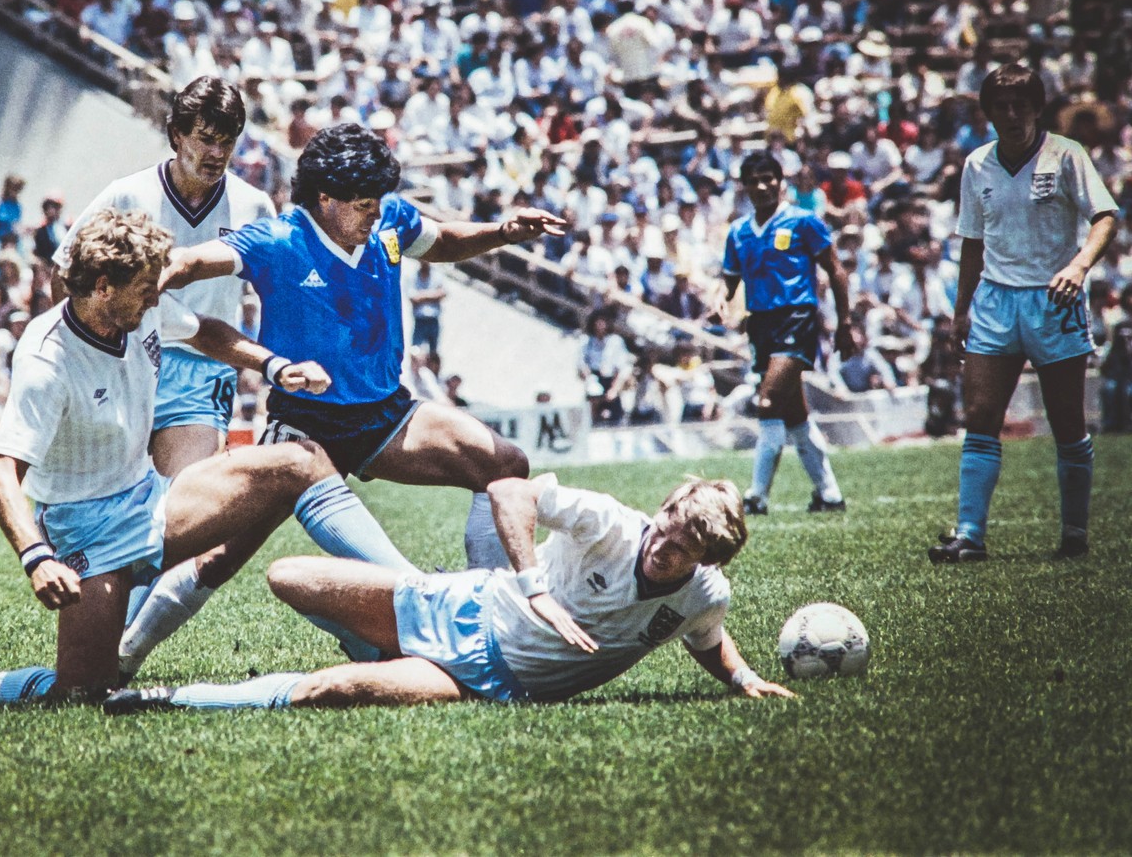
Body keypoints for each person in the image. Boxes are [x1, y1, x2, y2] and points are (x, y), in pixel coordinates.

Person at [0, 208, 348, 705]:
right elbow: (2, 474)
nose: (156, 296)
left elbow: (204, 330)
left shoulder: (143, 307)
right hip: (86, 532)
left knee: (299, 462)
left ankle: (392, 619)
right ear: (102, 287)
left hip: (152, 499)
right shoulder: (45, 360)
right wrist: (36, 558)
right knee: (84, 693)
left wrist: (273, 365)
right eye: (145, 288)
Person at [163, 123, 564, 568]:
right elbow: (197, 259)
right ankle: (130, 635)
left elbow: (442, 241)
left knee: (504, 465)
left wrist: (503, 231)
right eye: (364, 206)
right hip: (304, 425)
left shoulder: (388, 220)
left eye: (378, 204)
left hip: (383, 415)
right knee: (220, 559)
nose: (375, 215)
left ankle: (483, 600)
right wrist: (164, 269)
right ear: (325, 198)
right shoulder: (279, 240)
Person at [100, 473, 793, 713]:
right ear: (665, 508)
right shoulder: (613, 522)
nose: (662, 544)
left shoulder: (704, 595)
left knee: (329, 691)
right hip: (459, 604)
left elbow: (706, 634)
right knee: (288, 576)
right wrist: (535, 588)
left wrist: (741, 677)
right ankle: (376, 642)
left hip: (486, 680)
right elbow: (510, 490)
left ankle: (167, 699)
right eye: (667, 523)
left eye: (682, 549)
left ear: (705, 561)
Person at [47, 77, 276, 679]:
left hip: (202, 371)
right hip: (125, 363)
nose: (216, 152)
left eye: (227, 140)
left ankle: (117, 652)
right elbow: (62, 274)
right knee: (116, 515)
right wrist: (76, 354)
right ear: (176, 135)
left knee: (186, 514)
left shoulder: (254, 206)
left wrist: (276, 362)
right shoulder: (126, 195)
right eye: (204, 138)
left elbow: (275, 295)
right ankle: (99, 649)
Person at [931, 64, 1118, 563]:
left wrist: (1079, 266)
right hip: (994, 301)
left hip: (1053, 301)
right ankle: (970, 536)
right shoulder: (976, 166)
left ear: (1037, 108)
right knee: (981, 415)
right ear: (989, 113)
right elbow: (972, 241)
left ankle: (1074, 533)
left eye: (1022, 105)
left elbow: (1105, 217)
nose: (1012, 115)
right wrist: (961, 310)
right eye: (1002, 107)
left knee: (1066, 423)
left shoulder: (1066, 155)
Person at [711, 151, 856, 515]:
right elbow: (728, 280)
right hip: (760, 325)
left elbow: (835, 270)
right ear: (744, 187)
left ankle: (756, 496)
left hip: (796, 319)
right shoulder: (739, 232)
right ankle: (830, 494)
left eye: (768, 178)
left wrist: (845, 323)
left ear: (781, 181)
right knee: (794, 416)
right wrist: (719, 298)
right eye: (754, 180)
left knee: (768, 402)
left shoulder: (803, 222)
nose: (762, 186)